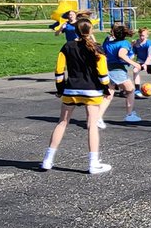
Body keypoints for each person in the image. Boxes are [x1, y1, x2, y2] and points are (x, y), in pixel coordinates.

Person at [41, 16, 113, 174]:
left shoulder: (67, 47)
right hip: (92, 91)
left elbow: (59, 71)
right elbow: (103, 74)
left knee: (62, 123)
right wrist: (106, 88)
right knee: (92, 125)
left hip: (71, 90)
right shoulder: (97, 48)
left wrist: (60, 89)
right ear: (90, 30)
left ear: (75, 30)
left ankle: (48, 159)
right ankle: (93, 163)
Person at [102, 24, 143, 122]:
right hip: (118, 71)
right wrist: (135, 64)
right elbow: (121, 54)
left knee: (108, 95)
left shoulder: (107, 43)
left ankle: (98, 117)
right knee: (131, 90)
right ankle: (129, 115)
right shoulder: (124, 43)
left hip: (107, 70)